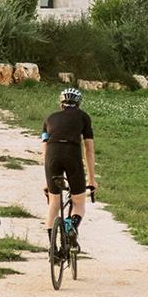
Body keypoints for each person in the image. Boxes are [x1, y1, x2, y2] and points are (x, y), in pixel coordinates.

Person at [42, 87, 97, 250]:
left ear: (61, 104)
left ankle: (53, 249)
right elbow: (89, 149)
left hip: (52, 155)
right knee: (79, 202)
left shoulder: (49, 118)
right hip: (72, 154)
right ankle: (70, 226)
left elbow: (44, 149)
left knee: (54, 203)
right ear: (78, 104)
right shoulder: (84, 117)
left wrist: (47, 180)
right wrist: (92, 179)